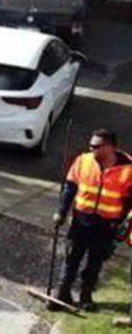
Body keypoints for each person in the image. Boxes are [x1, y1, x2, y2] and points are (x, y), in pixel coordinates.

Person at [50, 129, 132, 311]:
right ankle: (62, 293)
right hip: (81, 221)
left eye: (96, 146)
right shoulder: (83, 161)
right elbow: (70, 188)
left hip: (106, 226)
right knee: (71, 258)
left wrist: (123, 223)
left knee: (95, 262)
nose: (91, 148)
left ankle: (86, 295)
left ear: (111, 147)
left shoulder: (129, 168)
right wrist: (61, 212)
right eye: (91, 145)